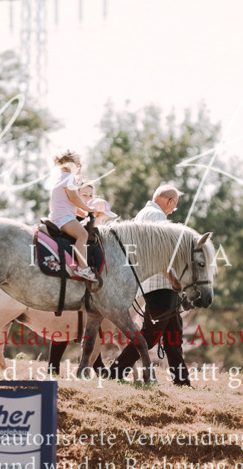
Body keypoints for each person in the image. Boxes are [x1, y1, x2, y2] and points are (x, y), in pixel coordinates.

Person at [103, 184, 192, 387]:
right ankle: (115, 372)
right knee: (150, 336)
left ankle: (182, 381)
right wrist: (174, 280)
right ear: (170, 201)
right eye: (174, 206)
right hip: (162, 283)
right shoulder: (157, 217)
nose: (173, 210)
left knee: (173, 336)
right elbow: (162, 253)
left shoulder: (143, 214)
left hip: (156, 283)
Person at [48, 150, 97, 282]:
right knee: (83, 235)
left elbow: (72, 205)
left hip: (62, 215)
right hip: (64, 217)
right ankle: (83, 268)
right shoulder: (69, 178)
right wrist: (89, 208)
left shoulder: (61, 177)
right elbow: (75, 199)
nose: (80, 167)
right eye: (78, 164)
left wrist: (86, 213)